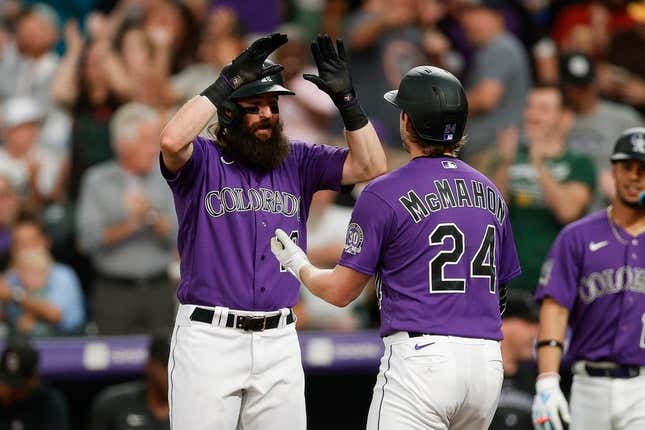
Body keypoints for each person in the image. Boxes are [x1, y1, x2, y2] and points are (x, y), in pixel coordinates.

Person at [272, 65, 521, 429]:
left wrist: (298, 263)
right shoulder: (491, 192)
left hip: (422, 361)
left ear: (407, 121)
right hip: (485, 362)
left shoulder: (385, 190)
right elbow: (500, 292)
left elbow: (341, 293)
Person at [159, 33, 386, 429]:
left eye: (273, 105)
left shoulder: (297, 159)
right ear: (227, 115)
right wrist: (223, 84)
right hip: (210, 337)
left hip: (278, 338)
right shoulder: (204, 161)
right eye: (255, 106)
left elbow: (371, 166)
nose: (268, 114)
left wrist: (348, 103)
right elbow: (171, 140)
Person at [531, 127, 645, 430]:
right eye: (628, 167)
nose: (635, 176)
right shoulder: (578, 236)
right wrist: (547, 380)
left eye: (643, 169)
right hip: (588, 384)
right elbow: (555, 308)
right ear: (614, 170)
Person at [76, 102, 177, 335]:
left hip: (159, 289)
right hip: (113, 290)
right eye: (147, 141)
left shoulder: (166, 178)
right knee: (110, 364)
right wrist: (131, 225)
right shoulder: (97, 180)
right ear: (123, 144)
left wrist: (150, 216)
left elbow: (180, 236)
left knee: (165, 363)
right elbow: (87, 240)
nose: (155, 149)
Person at [491, 85, 596, 292]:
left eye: (543, 108)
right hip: (507, 281)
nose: (532, 114)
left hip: (554, 282)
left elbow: (568, 211)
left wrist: (538, 163)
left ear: (565, 118)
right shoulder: (509, 157)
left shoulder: (579, 163)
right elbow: (492, 213)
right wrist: (505, 161)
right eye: (529, 107)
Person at [89, 334, 170, 430]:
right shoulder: (113, 405)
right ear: (149, 365)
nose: (173, 375)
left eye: (181, 368)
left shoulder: (191, 412)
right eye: (166, 366)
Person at [490, 290, 540, 430]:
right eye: (530, 322)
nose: (536, 332)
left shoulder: (540, 379)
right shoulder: (475, 376)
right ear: (503, 323)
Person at [0, 338, 69, 430]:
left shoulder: (48, 402)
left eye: (16, 385)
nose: (9, 389)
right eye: (6, 382)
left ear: (34, 379)